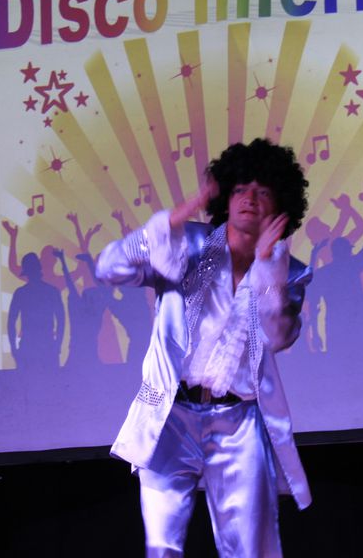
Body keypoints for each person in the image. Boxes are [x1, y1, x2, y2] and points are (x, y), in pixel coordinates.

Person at [95, 138, 312, 557]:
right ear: (226, 198)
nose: (250, 199)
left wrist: (268, 267)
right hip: (170, 417)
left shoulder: (290, 273)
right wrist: (179, 214)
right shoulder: (187, 246)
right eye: (240, 189)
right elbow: (109, 267)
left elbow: (280, 336)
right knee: (161, 547)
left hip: (239, 422)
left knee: (250, 549)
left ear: (279, 207)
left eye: (263, 191)